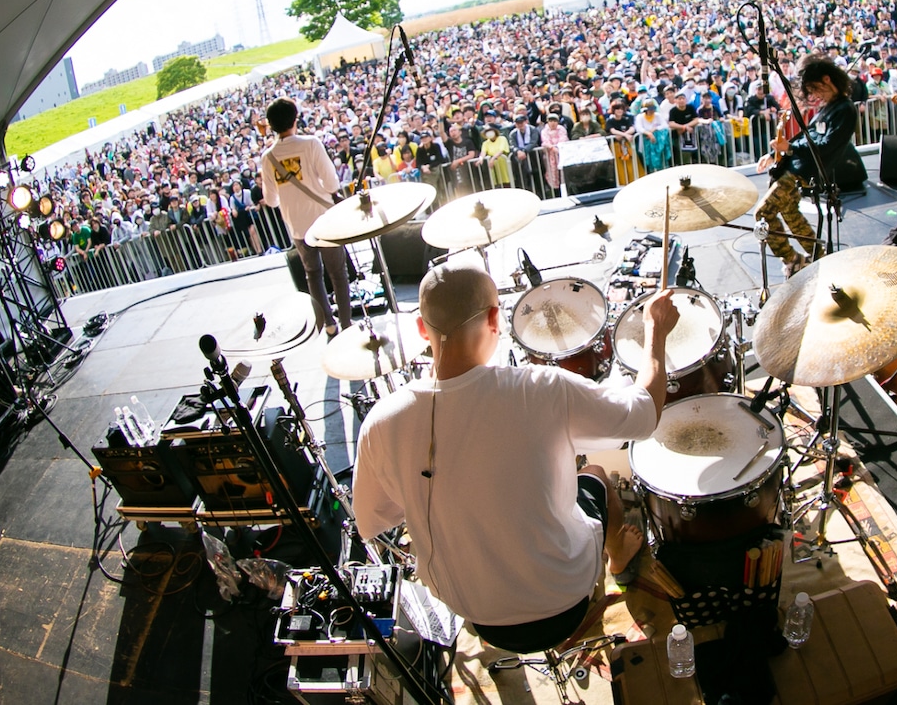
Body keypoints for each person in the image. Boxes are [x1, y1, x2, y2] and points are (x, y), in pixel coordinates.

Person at [352, 264, 680, 652]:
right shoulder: (541, 388)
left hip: (475, 613)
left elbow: (372, 521)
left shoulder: (381, 422)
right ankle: (618, 559)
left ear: (422, 330)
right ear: (495, 319)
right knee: (595, 474)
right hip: (565, 599)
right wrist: (655, 329)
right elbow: (644, 415)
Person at [755, 59, 867, 275]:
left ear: (827, 80)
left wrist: (790, 149)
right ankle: (819, 256)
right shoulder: (829, 108)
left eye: (816, 89)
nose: (816, 95)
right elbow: (807, 137)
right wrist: (776, 152)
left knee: (763, 214)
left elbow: (826, 145)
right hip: (796, 167)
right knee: (789, 213)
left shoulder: (845, 110)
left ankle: (793, 259)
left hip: (805, 172)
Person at [259, 97, 351, 339]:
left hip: (298, 226)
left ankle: (329, 325)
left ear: (271, 125)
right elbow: (331, 182)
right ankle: (347, 324)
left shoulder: (267, 158)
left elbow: (270, 200)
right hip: (325, 220)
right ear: (295, 119)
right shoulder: (311, 144)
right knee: (338, 274)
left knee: (313, 275)